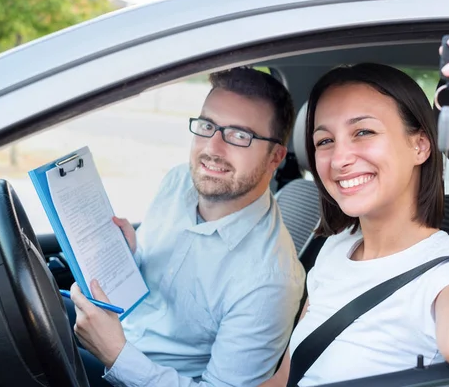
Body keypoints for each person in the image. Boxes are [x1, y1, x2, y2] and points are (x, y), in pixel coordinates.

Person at [261, 25, 449, 386]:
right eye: (324, 140)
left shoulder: (444, 276)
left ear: (420, 145)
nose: (339, 158)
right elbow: (284, 378)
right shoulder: (335, 248)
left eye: (363, 132)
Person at [68, 67, 306, 387]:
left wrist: (116, 354)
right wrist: (129, 254)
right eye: (208, 126)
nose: (212, 149)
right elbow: (156, 287)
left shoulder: (270, 281)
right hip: (117, 325)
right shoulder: (179, 180)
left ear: (275, 156)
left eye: (239, 135)